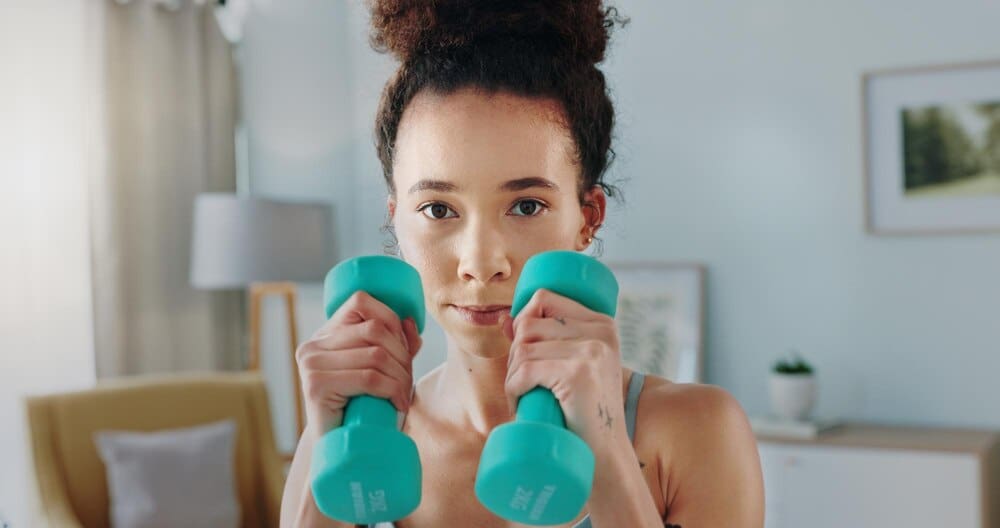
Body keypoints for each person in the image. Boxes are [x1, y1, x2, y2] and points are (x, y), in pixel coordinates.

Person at [281, 1, 764, 526]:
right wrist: (327, 449)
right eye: (438, 209)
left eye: (526, 206)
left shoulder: (695, 431)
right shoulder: (350, 445)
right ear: (396, 220)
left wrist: (604, 445)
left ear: (587, 217)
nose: (480, 263)